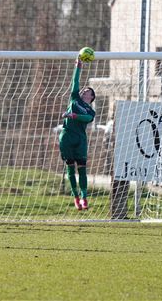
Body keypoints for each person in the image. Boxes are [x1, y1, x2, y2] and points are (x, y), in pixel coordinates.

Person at [59, 56, 96, 210]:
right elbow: (75, 82)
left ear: (91, 97)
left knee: (82, 169)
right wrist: (78, 67)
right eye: (83, 89)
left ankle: (84, 198)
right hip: (67, 136)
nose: (84, 90)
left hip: (80, 139)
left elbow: (87, 118)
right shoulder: (74, 98)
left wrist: (73, 116)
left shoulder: (90, 111)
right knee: (69, 168)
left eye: (87, 90)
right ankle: (75, 197)